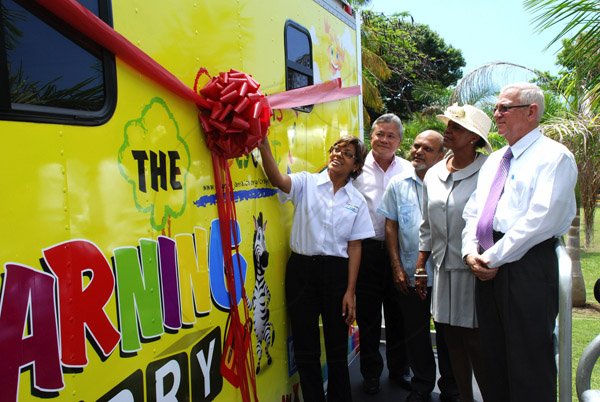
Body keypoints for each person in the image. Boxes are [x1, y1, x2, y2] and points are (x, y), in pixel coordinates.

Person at [462, 82, 577, 402]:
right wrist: (471, 251)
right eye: (495, 108)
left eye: (504, 108)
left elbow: (540, 220)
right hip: (487, 264)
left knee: (529, 364)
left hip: (526, 265)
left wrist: (492, 258)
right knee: (493, 360)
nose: (496, 114)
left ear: (531, 112)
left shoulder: (555, 157)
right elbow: (474, 212)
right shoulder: (495, 160)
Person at [258, 135, 374, 402]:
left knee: (335, 345)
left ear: (356, 166)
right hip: (301, 271)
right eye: (335, 149)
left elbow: (355, 247)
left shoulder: (357, 201)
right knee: (304, 344)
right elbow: (278, 179)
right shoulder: (307, 183)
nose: (338, 155)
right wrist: (264, 145)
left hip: (336, 273)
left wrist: (350, 291)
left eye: (346, 153)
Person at [415, 104, 493, 402]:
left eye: (456, 127)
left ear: (473, 137)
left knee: (476, 342)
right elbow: (426, 224)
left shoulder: (489, 169)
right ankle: (464, 397)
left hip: (474, 270)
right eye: (448, 125)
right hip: (441, 270)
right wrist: (421, 266)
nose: (448, 131)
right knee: (450, 340)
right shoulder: (433, 173)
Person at [377, 130, 445, 402]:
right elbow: (390, 225)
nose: (418, 151)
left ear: (441, 155)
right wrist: (396, 267)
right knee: (416, 335)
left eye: (427, 149)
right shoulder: (397, 183)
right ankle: (422, 385)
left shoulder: (448, 181)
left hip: (444, 275)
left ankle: (451, 387)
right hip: (407, 271)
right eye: (416, 146)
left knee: (447, 336)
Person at [352, 113, 412, 394]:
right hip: (366, 251)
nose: (384, 140)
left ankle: (401, 370)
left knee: (400, 314)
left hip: (400, 251)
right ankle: (371, 373)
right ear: (371, 137)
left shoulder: (409, 170)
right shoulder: (356, 168)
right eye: (379, 134)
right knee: (368, 317)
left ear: (399, 141)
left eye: (390, 136)